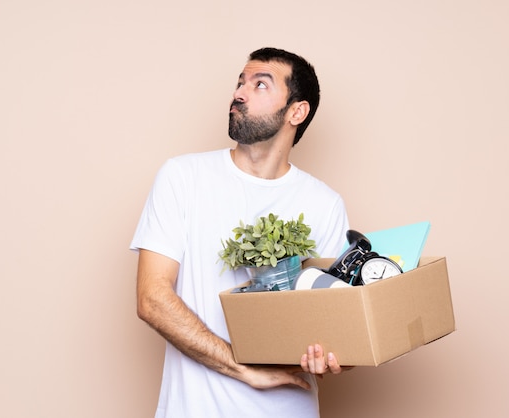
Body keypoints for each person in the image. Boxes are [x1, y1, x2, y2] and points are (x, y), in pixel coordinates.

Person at [132, 47, 351, 418]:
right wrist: (243, 368)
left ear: (296, 111)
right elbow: (151, 298)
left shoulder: (324, 203)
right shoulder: (183, 178)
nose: (239, 93)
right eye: (240, 83)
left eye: (260, 84)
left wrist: (335, 357)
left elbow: (338, 330)